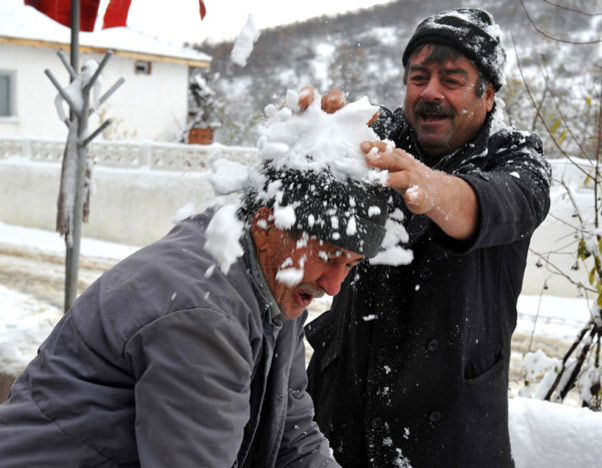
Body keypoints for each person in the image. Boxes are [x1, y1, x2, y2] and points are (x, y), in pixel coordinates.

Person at [0, 164, 389, 467]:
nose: (335, 285)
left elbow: (289, 423)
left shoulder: (273, 279)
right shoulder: (203, 316)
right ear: (267, 225)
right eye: (328, 255)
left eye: (351, 265)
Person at [305, 8, 553, 467]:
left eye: (452, 80)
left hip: (449, 437)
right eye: (419, 77)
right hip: (339, 416)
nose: (430, 93)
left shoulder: (519, 160)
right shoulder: (381, 136)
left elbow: (492, 204)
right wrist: (312, 130)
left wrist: (432, 189)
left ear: (488, 93)